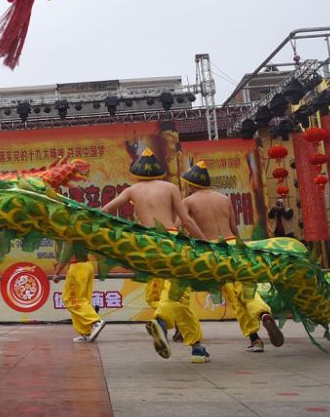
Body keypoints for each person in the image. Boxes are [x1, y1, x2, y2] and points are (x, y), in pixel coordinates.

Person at [101, 148, 209, 364]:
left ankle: (195, 345)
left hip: (147, 245)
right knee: (177, 292)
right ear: (158, 170)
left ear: (137, 171)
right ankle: (163, 323)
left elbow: (105, 211)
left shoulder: (132, 190)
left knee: (157, 293)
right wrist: (204, 243)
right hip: (169, 241)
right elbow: (186, 221)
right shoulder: (170, 188)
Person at [181, 161, 283, 353]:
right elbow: (234, 229)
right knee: (246, 290)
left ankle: (255, 338)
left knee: (234, 297)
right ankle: (263, 314)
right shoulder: (224, 199)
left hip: (213, 249)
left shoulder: (188, 201)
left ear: (191, 184)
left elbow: (181, 225)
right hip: (233, 246)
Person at [51, 240, 105, 344]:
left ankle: (95, 322)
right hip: (87, 266)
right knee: (83, 300)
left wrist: (56, 273)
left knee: (72, 300)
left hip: (78, 267)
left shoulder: (69, 235)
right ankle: (86, 333)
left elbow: (65, 256)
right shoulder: (80, 233)